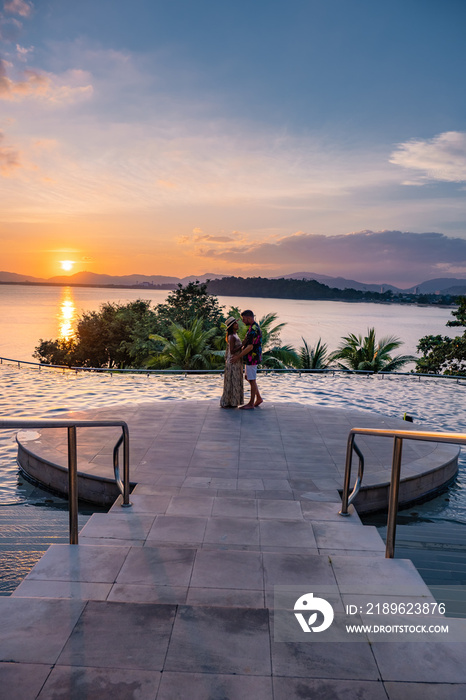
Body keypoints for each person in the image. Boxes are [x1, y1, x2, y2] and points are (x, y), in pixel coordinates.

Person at [231, 309, 263, 409]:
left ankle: (251, 403)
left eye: (244, 319)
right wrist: (240, 346)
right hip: (251, 357)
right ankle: (258, 398)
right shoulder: (251, 328)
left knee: (252, 379)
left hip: (252, 357)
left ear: (249, 318)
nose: (243, 321)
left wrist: (237, 357)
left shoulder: (253, 329)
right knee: (248, 377)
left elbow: (250, 347)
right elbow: (246, 341)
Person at [220, 316, 244, 408]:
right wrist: (243, 344)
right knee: (232, 381)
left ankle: (232, 401)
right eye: (235, 324)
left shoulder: (234, 335)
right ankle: (229, 401)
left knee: (234, 381)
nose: (237, 325)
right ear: (231, 326)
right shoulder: (231, 336)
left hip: (236, 361)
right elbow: (232, 350)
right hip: (233, 360)